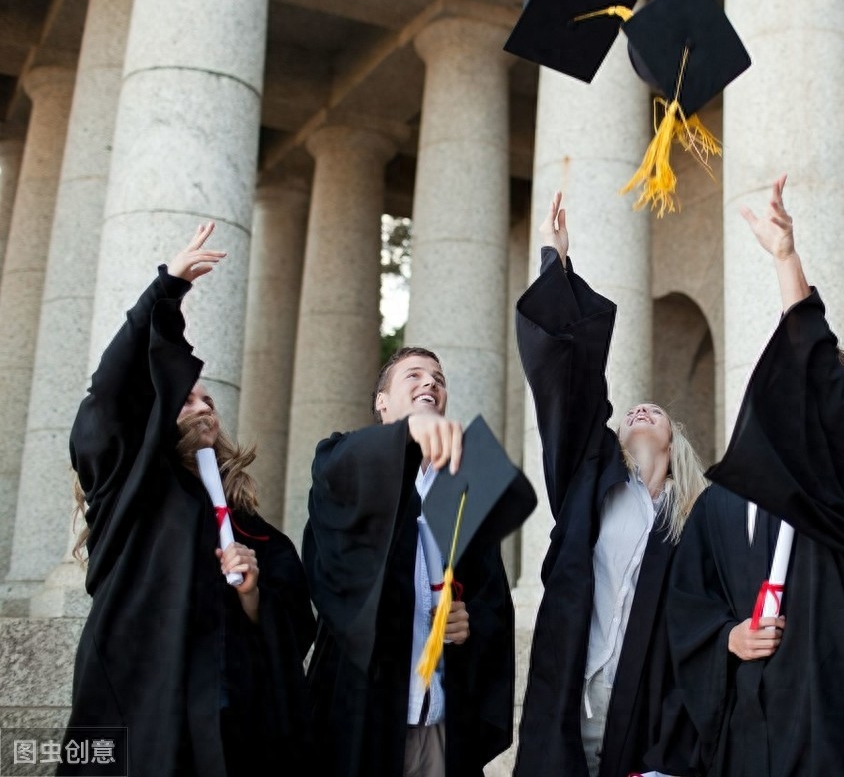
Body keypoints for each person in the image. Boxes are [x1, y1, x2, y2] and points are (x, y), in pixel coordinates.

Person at [62, 222, 315, 777]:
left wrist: (252, 594)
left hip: (230, 716)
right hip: (140, 701)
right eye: (186, 397)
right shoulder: (128, 488)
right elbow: (109, 394)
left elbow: (294, 621)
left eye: (208, 398)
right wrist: (166, 290)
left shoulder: (247, 524)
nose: (203, 405)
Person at [667, 174, 844, 776]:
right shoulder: (717, 506)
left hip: (827, 713)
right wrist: (727, 639)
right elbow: (688, 602)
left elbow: (816, 371)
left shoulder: (836, 499)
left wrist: (787, 262)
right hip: (744, 725)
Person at [514, 191, 708, 777]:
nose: (643, 409)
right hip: (570, 695)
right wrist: (559, 265)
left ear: (677, 440)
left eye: (656, 409)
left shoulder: (699, 516)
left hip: (645, 713)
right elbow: (568, 389)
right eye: (633, 409)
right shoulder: (590, 480)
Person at [303, 346, 515, 777]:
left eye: (438, 378)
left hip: (439, 718)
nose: (431, 383)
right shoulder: (345, 460)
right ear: (382, 403)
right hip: (365, 714)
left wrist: (469, 621)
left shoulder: (463, 488)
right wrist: (406, 435)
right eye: (413, 376)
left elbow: (491, 593)